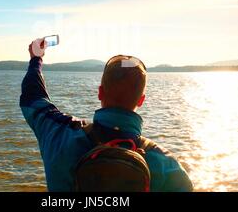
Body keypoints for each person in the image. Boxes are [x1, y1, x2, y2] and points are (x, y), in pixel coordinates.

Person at [19, 38, 193, 192]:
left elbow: (32, 97)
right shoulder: (168, 167)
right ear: (141, 100)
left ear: (100, 93)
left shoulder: (59, 133)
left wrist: (36, 58)